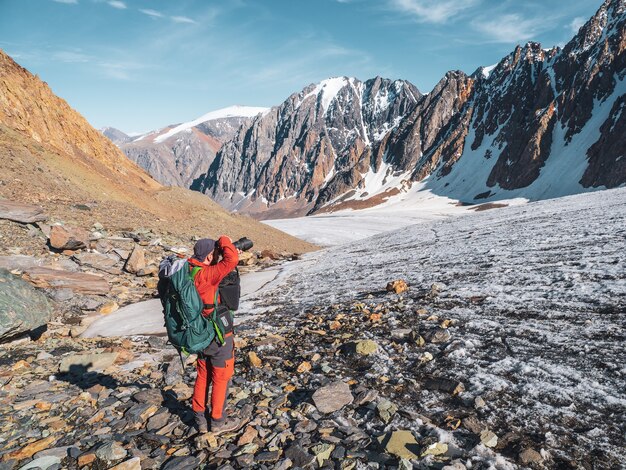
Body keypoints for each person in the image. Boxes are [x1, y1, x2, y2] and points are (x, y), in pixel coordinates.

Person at [188, 236, 240, 434]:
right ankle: (218, 421)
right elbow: (232, 260)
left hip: (198, 333)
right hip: (217, 335)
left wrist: (218, 256)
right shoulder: (208, 275)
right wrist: (225, 240)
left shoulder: (190, 269)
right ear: (210, 255)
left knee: (203, 373)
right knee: (221, 376)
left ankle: (200, 418)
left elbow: (215, 270)